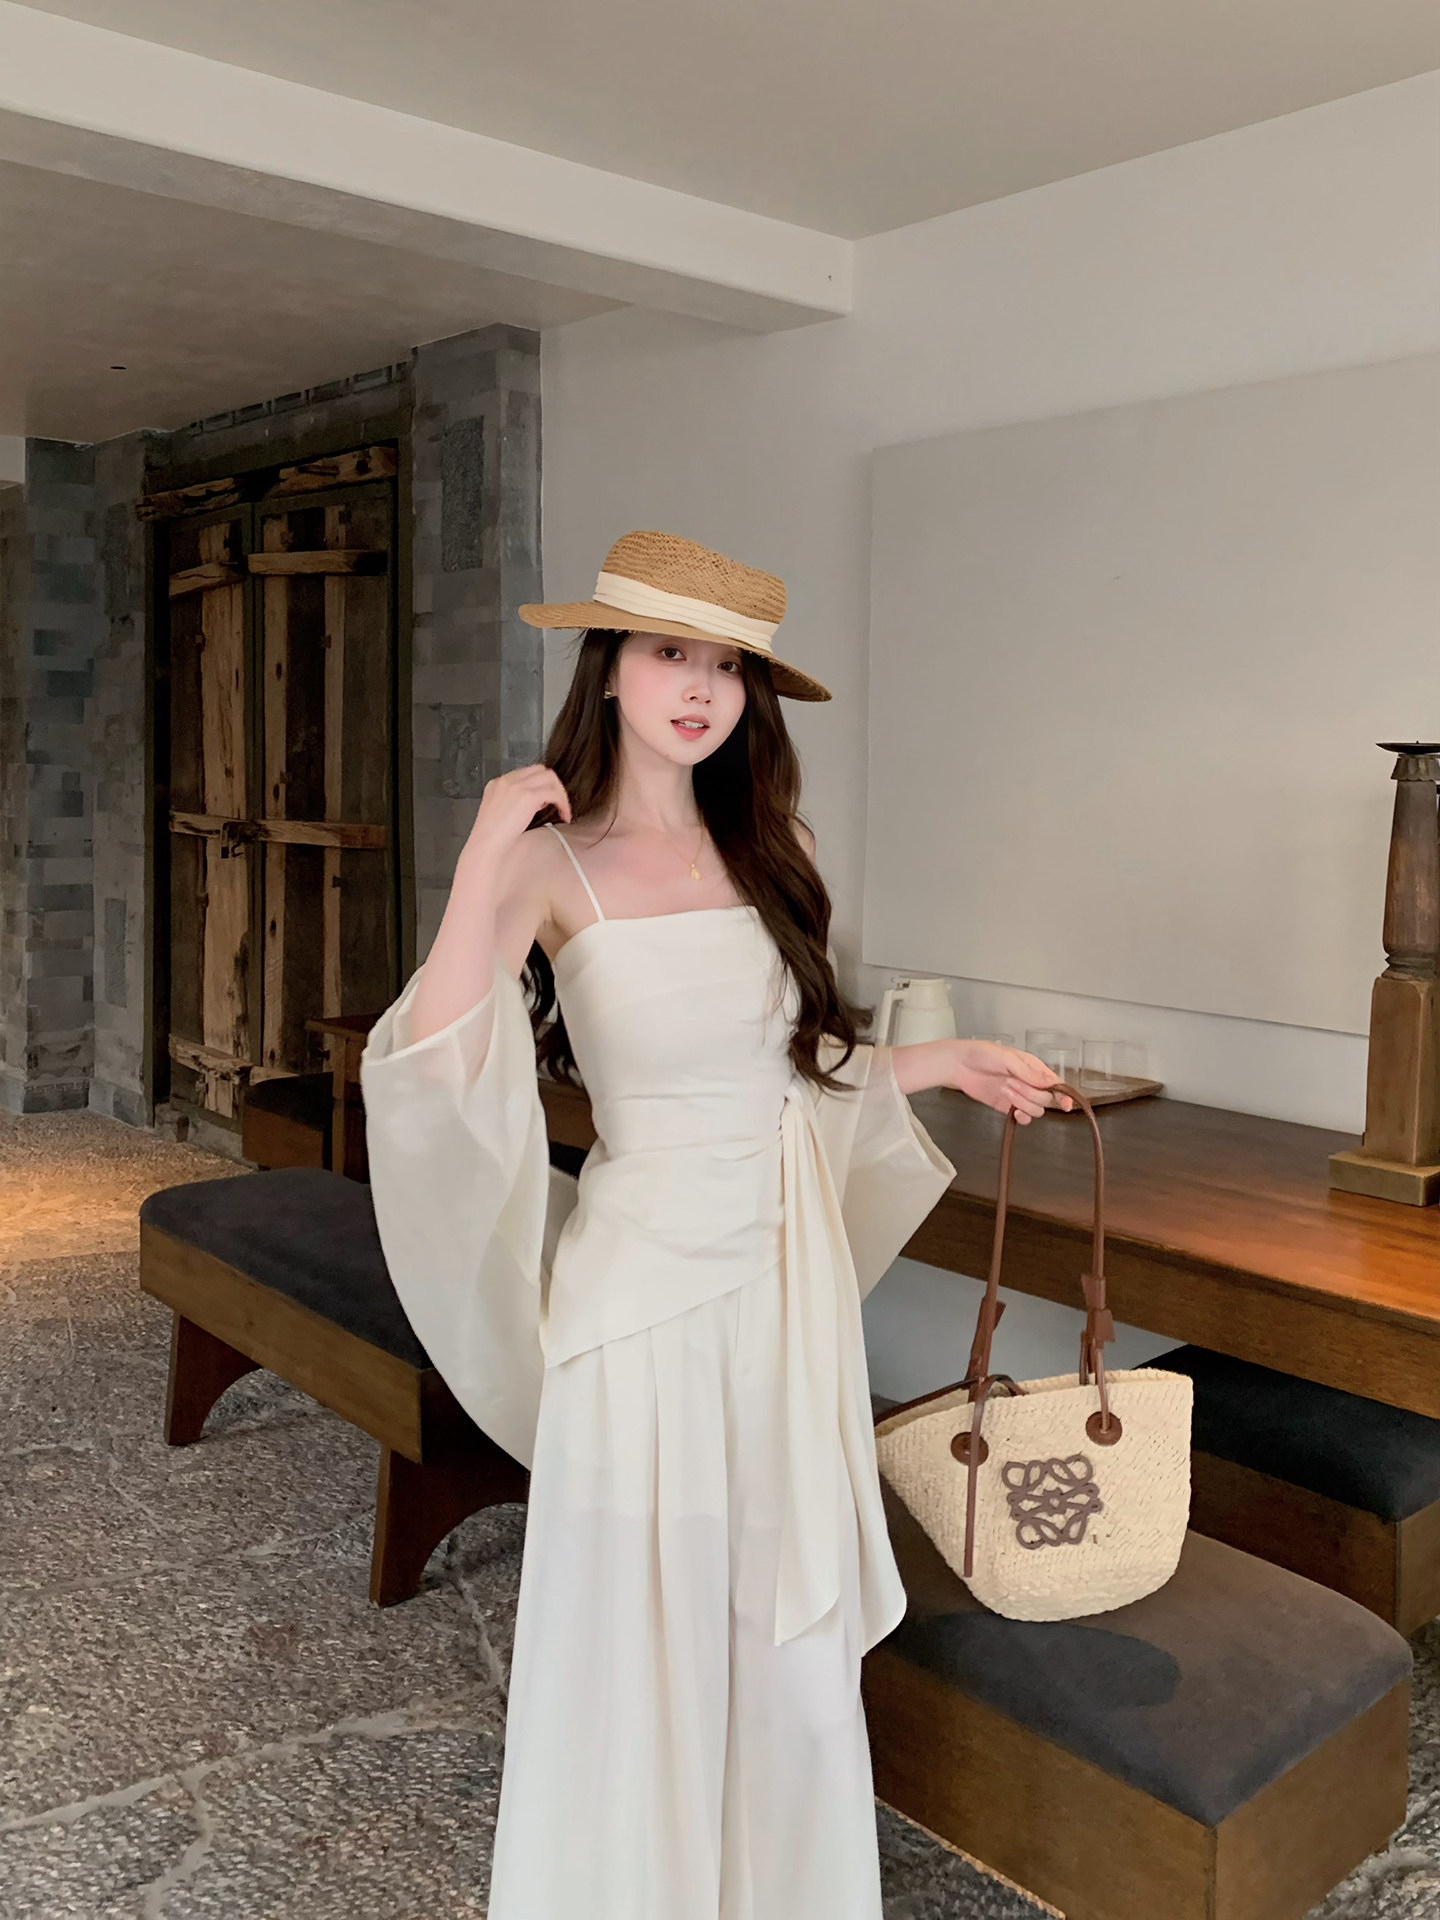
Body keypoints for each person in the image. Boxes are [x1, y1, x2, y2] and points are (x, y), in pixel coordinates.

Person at [358, 530, 1071, 1920]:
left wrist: (944, 1062)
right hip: (638, 1297)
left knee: (771, 1614)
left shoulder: (773, 847)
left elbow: (793, 1070)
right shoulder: (550, 866)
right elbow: (436, 1063)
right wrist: (480, 859)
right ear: (609, 667)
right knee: (644, 1616)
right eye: (669, 652)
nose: (699, 688)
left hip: (778, 1290)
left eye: (728, 665)